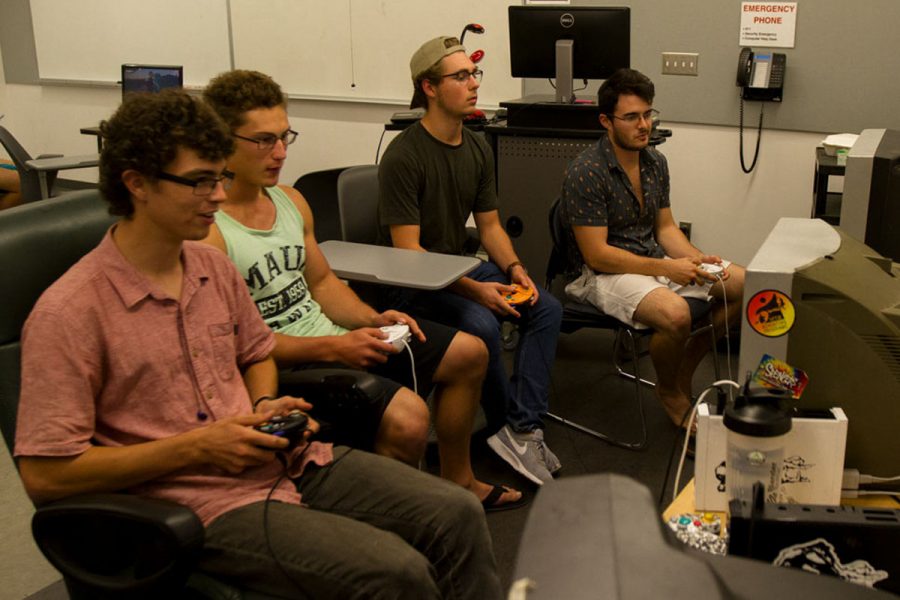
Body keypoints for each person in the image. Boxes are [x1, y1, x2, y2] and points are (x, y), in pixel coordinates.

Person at [14, 90, 503, 599]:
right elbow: (47, 475)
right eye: (200, 182)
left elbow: (256, 354)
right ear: (136, 184)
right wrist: (198, 446)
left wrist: (267, 404)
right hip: (191, 503)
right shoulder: (69, 313)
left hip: (284, 461)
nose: (219, 196)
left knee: (456, 514)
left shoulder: (211, 269)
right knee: (394, 573)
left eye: (218, 178)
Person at [201, 69, 522, 510]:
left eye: (284, 137)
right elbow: (239, 347)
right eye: (263, 141)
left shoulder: (290, 201)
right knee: (410, 419)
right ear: (221, 141)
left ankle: (460, 481)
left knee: (470, 353)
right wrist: (336, 347)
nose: (279, 152)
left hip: (332, 338)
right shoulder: (209, 231)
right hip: (288, 364)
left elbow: (321, 282)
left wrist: (372, 319)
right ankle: (403, 516)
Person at [378, 36, 564, 486]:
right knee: (481, 323)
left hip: (459, 267)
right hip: (415, 281)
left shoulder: (477, 146)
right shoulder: (404, 155)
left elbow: (491, 227)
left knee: (545, 308)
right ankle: (504, 425)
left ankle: (522, 426)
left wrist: (515, 270)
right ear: (429, 87)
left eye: (473, 73)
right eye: (460, 76)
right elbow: (409, 254)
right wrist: (476, 290)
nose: (473, 83)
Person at [558, 68, 745, 428]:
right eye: (631, 117)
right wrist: (669, 269)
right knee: (676, 315)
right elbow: (597, 255)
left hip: (649, 263)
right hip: (605, 274)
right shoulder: (586, 171)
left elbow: (665, 229)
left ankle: (682, 373)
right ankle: (670, 391)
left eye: (647, 114)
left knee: (740, 285)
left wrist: (692, 258)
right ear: (606, 121)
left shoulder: (656, 162)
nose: (643, 125)